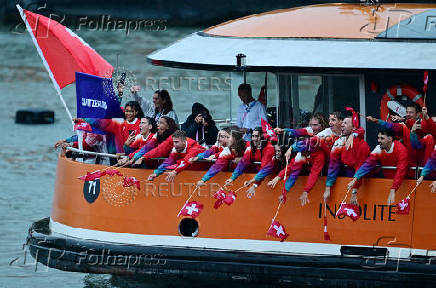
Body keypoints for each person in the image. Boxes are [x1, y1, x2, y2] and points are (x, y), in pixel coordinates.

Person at [347, 128, 409, 205]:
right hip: (389, 183)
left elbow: (401, 171)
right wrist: (355, 178)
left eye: (382, 138)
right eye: (378, 138)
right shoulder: (379, 148)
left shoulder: (401, 150)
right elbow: (368, 164)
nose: (379, 140)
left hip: (404, 184)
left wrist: (393, 190)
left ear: (390, 139)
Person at [323, 114, 370, 205]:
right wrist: (328, 188)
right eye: (342, 122)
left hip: (364, 182)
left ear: (353, 128)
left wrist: (354, 192)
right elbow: (333, 165)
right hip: (347, 179)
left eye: (345, 123)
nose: (342, 125)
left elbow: (359, 169)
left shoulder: (363, 146)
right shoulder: (339, 142)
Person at [75, 101, 144, 154]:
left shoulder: (142, 125)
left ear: (136, 112)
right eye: (127, 111)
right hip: (115, 154)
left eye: (131, 111)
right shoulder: (118, 123)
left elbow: (143, 144)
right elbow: (98, 122)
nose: (128, 113)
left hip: (131, 157)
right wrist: (83, 118)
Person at [224, 128, 276, 197]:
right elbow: (243, 162)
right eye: (253, 136)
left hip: (271, 178)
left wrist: (255, 184)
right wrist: (232, 178)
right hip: (259, 178)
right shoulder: (252, 147)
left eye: (256, 136)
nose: (254, 138)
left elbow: (264, 169)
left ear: (263, 137)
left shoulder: (269, 148)